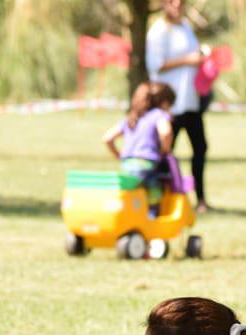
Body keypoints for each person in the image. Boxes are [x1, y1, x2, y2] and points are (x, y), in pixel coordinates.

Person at [147, 0, 210, 212]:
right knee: (165, 153)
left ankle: (200, 199)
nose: (177, 5)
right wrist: (187, 60)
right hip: (170, 106)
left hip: (190, 102)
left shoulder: (185, 27)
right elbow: (155, 65)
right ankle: (160, 199)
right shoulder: (158, 32)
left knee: (200, 149)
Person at [102, 81, 176, 213]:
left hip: (127, 164)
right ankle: (152, 220)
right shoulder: (158, 115)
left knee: (132, 194)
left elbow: (107, 138)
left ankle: (132, 219)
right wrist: (165, 149)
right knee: (154, 192)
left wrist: (119, 156)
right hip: (147, 164)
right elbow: (165, 132)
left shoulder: (132, 117)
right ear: (165, 103)